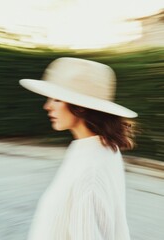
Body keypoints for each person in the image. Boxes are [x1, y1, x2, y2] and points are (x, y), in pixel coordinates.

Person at [19, 57, 138, 240]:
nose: (47, 106)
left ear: (80, 107)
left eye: (57, 99)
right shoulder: (95, 148)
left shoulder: (91, 171)